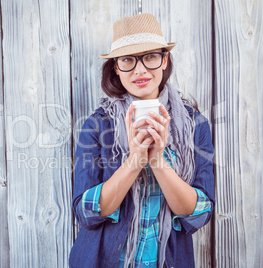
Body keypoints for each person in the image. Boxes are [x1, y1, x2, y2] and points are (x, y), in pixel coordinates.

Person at [69, 13, 214, 268]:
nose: (140, 69)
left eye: (150, 56)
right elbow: (86, 212)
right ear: (116, 66)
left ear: (164, 59)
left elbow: (199, 212)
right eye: (127, 59)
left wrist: (158, 161)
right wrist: (135, 160)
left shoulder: (195, 125)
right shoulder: (96, 125)